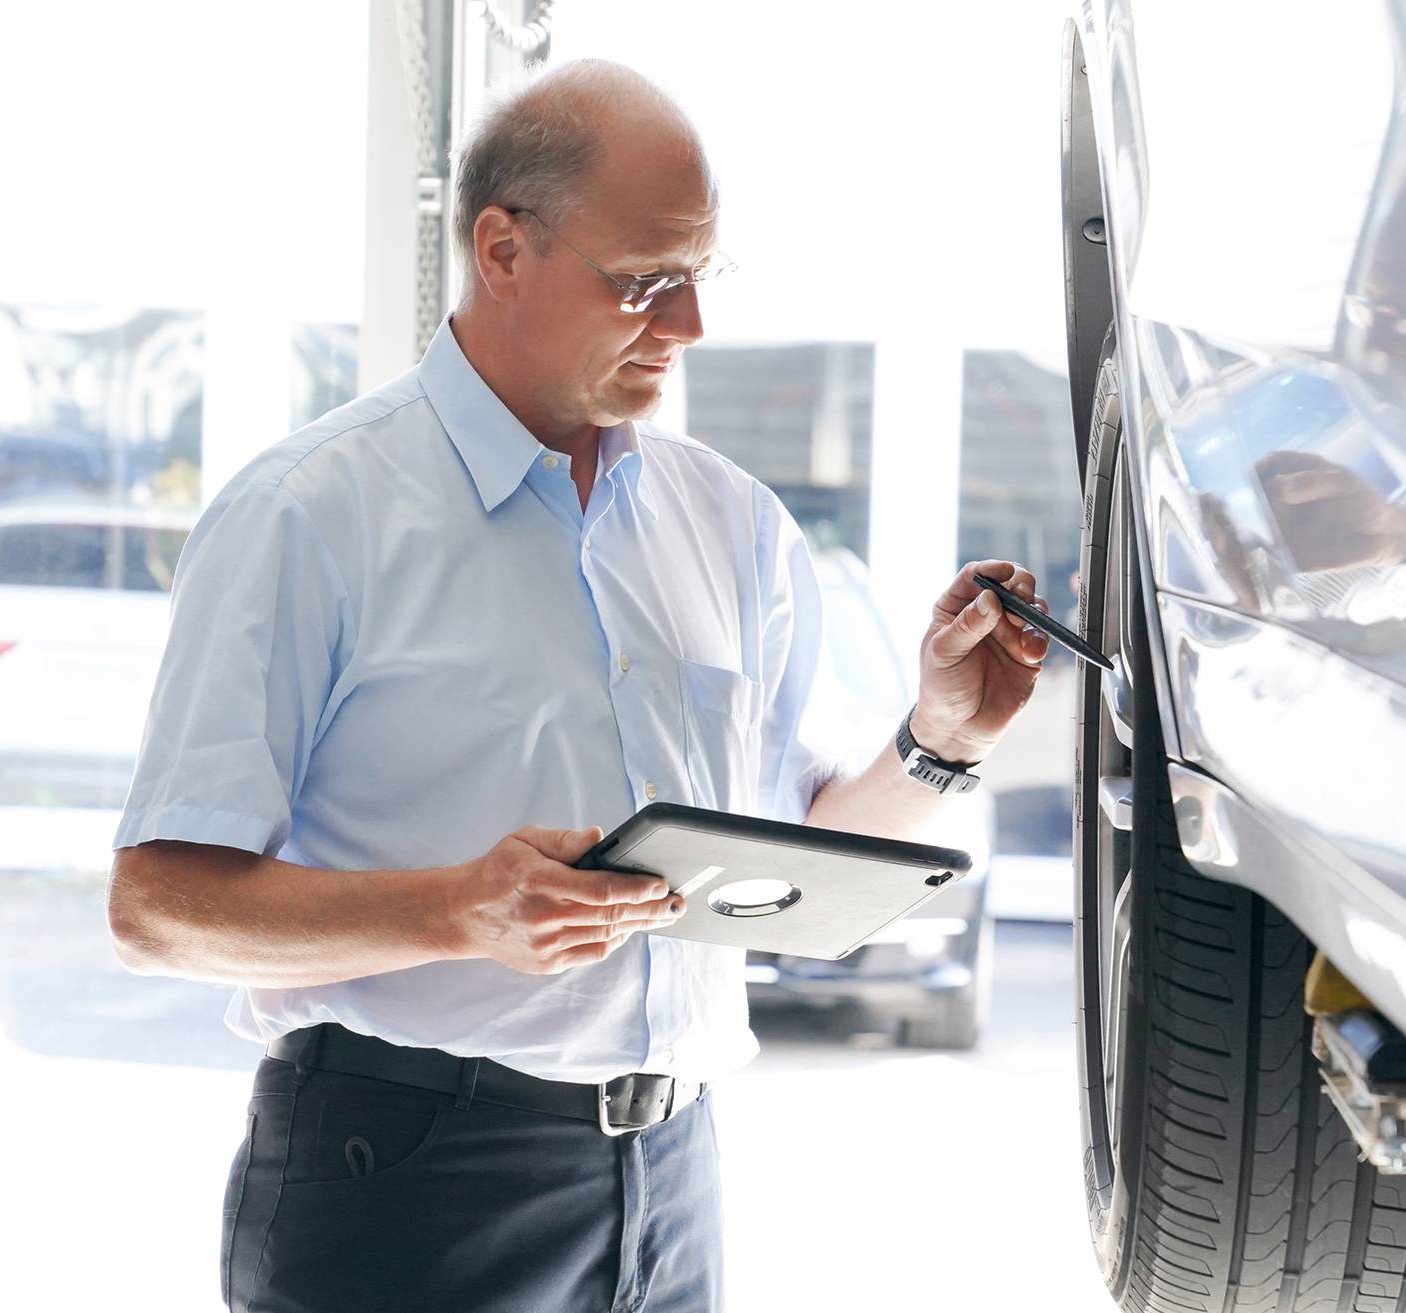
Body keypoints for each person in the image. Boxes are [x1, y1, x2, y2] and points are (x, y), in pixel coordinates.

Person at [104, 59, 1048, 1313]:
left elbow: (780, 867)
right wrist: (456, 911)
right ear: (502, 250)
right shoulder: (307, 516)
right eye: (646, 283)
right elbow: (159, 906)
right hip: (408, 1174)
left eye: (700, 278)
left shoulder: (736, 525)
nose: (689, 327)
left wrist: (940, 737)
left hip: (673, 1175)